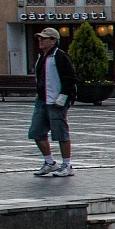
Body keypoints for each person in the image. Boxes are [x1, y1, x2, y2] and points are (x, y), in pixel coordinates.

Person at [29, 28, 77, 177]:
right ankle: (49, 162)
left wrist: (63, 97)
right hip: (42, 100)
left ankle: (67, 164)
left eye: (44, 38)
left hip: (56, 101)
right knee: (36, 132)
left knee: (60, 133)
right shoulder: (41, 57)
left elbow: (71, 79)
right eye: (39, 38)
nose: (41, 40)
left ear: (54, 40)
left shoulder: (60, 56)